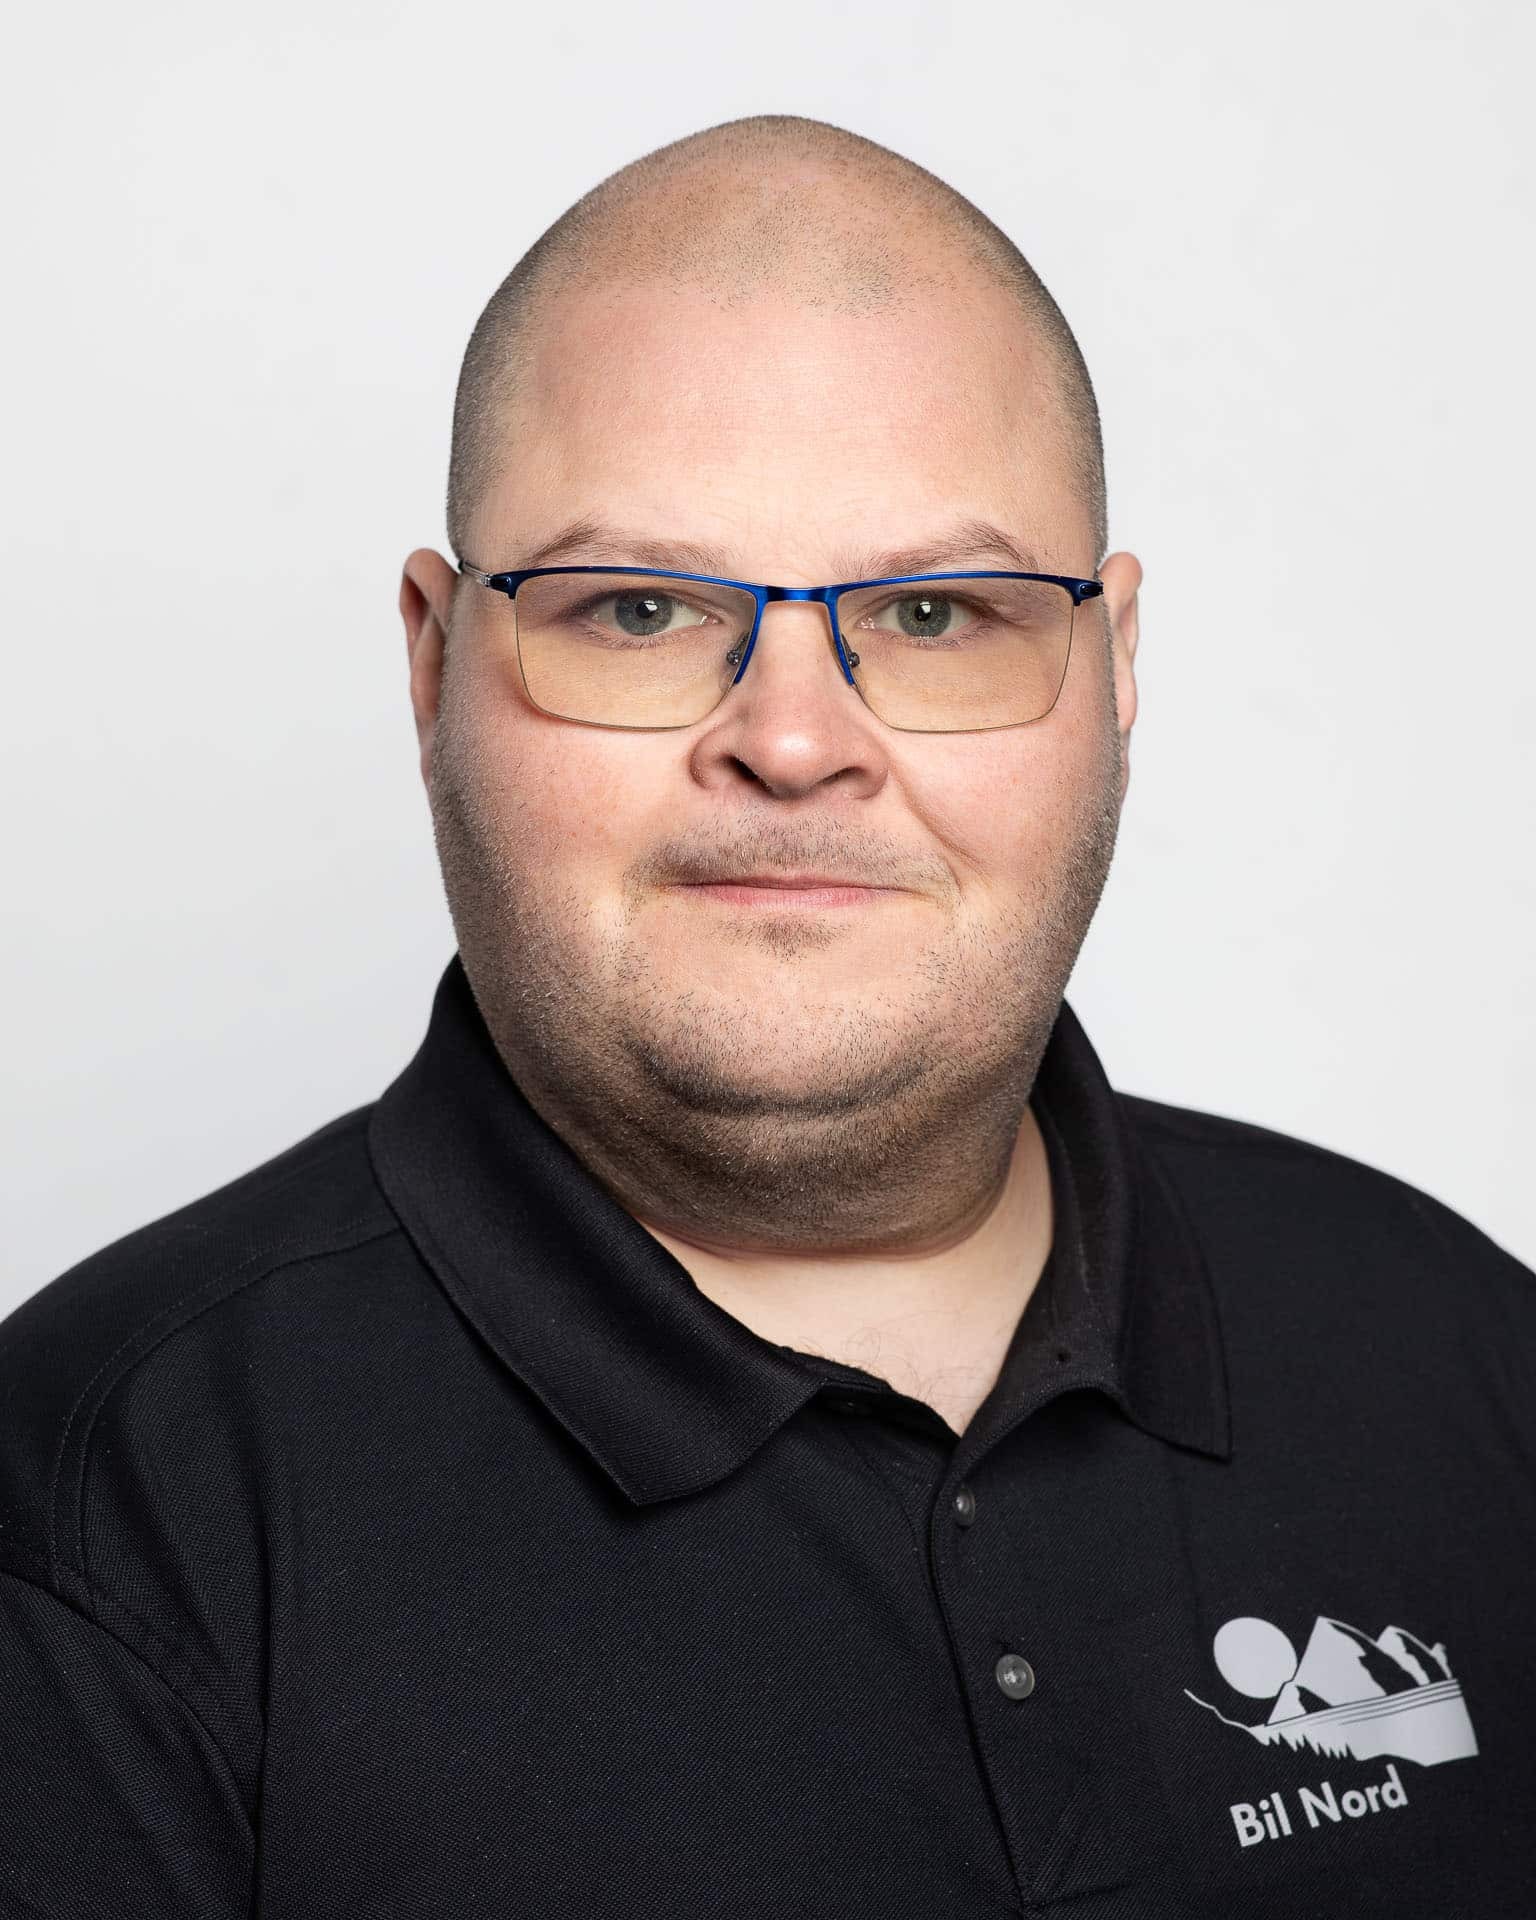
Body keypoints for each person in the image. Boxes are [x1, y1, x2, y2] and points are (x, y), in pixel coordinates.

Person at [2, 114, 1531, 1919]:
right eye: (641, 607)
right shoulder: (100, 1529)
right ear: (432, 664)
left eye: (938, 612)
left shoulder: (1463, 1351)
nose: (794, 742)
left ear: (1115, 667)